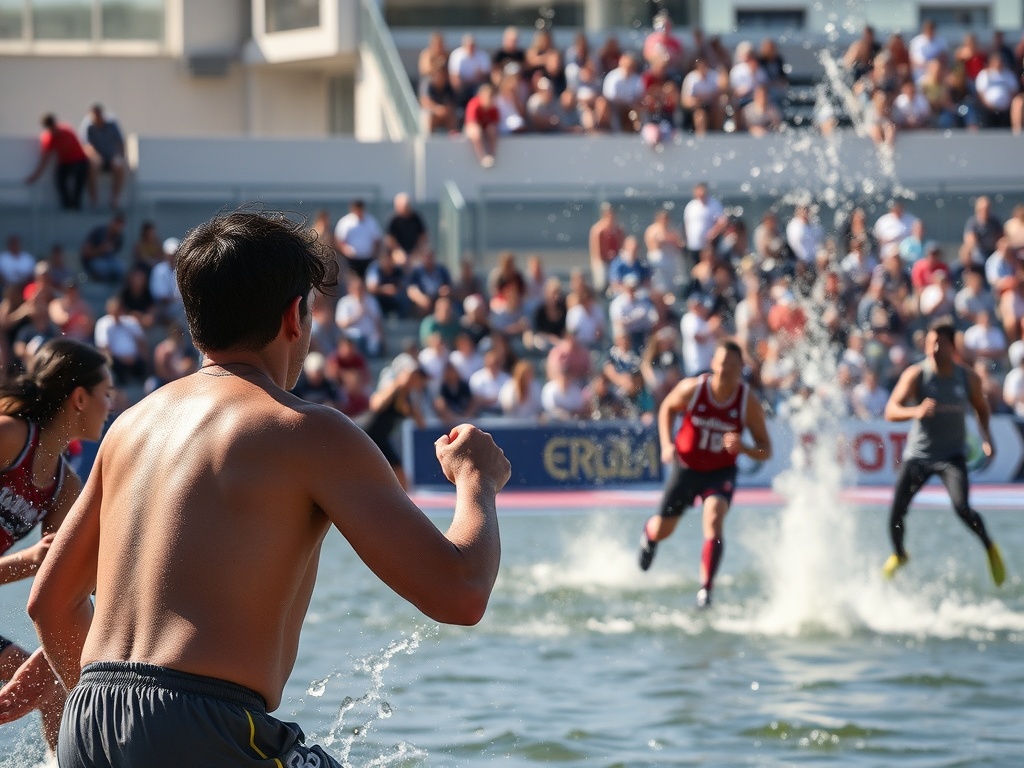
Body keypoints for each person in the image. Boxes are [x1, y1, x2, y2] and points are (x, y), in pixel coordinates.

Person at [0, 209, 510, 766]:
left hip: (90, 723)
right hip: (202, 724)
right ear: (294, 315)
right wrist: (475, 481)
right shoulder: (305, 430)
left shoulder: (130, 427)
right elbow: (460, 591)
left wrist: (122, 727)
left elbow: (49, 603)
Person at [0, 339, 113, 752]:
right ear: (80, 398)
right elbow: (39, 562)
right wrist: (29, 560)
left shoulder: (66, 487)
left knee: (53, 694)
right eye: (106, 394)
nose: (111, 405)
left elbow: (66, 587)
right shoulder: (9, 436)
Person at [638, 339, 771, 608]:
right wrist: (666, 444)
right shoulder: (694, 388)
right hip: (687, 467)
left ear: (740, 369)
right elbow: (667, 409)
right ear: (713, 364)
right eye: (722, 364)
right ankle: (649, 537)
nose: (726, 370)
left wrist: (743, 448)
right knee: (664, 528)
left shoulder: (747, 403)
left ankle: (705, 591)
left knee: (714, 520)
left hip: (720, 471)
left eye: (733, 366)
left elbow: (765, 449)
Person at [881, 317, 1004, 586]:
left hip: (951, 456)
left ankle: (989, 547)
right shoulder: (917, 374)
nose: (933, 349)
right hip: (920, 456)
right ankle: (900, 555)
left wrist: (987, 439)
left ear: (952, 347)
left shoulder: (967, 377)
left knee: (962, 508)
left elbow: (981, 409)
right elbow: (891, 410)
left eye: (939, 344)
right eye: (929, 343)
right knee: (896, 512)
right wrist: (916, 411)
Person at [24, 114, 91, 210]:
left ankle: (76, 204)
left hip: (79, 161)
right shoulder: (49, 138)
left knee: (79, 177)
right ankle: (66, 205)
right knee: (60, 179)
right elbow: (45, 159)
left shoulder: (67, 131)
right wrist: (35, 176)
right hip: (65, 163)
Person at [78, 104, 127, 210]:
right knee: (94, 164)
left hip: (111, 156)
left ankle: (115, 200)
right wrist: (95, 156)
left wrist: (121, 156)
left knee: (119, 165)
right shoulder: (88, 125)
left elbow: (120, 142)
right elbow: (86, 145)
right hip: (97, 157)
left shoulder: (112, 123)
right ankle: (94, 200)